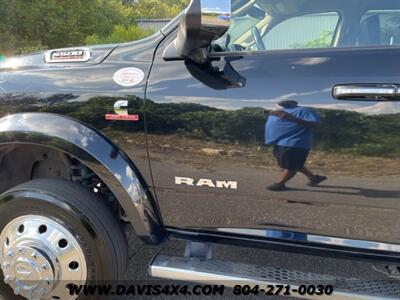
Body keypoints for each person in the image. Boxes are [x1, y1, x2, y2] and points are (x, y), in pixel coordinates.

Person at [265, 100, 327, 191]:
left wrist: (292, 119)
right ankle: (314, 178)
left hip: (295, 142)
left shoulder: (305, 110)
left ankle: (280, 184)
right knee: (293, 163)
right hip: (279, 142)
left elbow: (316, 125)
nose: (282, 100)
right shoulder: (278, 111)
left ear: (295, 103)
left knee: (291, 166)